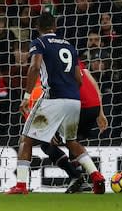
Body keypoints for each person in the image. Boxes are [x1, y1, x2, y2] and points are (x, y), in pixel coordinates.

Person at [6, 13, 105, 195]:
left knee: (26, 141)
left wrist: (27, 96)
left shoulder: (39, 42)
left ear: (38, 28)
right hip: (74, 100)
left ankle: (21, 185)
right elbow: (78, 78)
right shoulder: (68, 45)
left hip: (53, 98)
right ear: (55, 27)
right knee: (71, 141)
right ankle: (96, 176)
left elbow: (35, 66)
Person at [24, 60, 108, 193]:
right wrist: (101, 112)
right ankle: (88, 178)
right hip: (93, 106)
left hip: (77, 105)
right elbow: (88, 77)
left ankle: (77, 176)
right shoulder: (72, 60)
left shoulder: (46, 79)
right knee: (72, 140)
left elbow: (55, 102)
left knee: (47, 144)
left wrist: (50, 130)